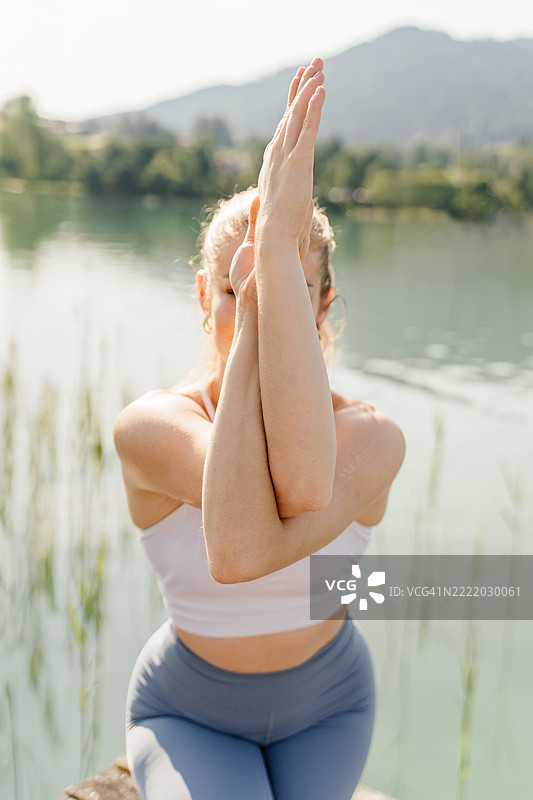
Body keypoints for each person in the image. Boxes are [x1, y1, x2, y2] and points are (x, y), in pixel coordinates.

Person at [113, 57, 406, 800]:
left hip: (330, 705)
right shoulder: (152, 428)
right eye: (236, 292)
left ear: (323, 302)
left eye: (288, 291)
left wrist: (269, 258)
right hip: (189, 710)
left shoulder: (374, 437)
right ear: (203, 294)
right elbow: (242, 550)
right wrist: (272, 263)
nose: (259, 310)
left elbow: (303, 493)